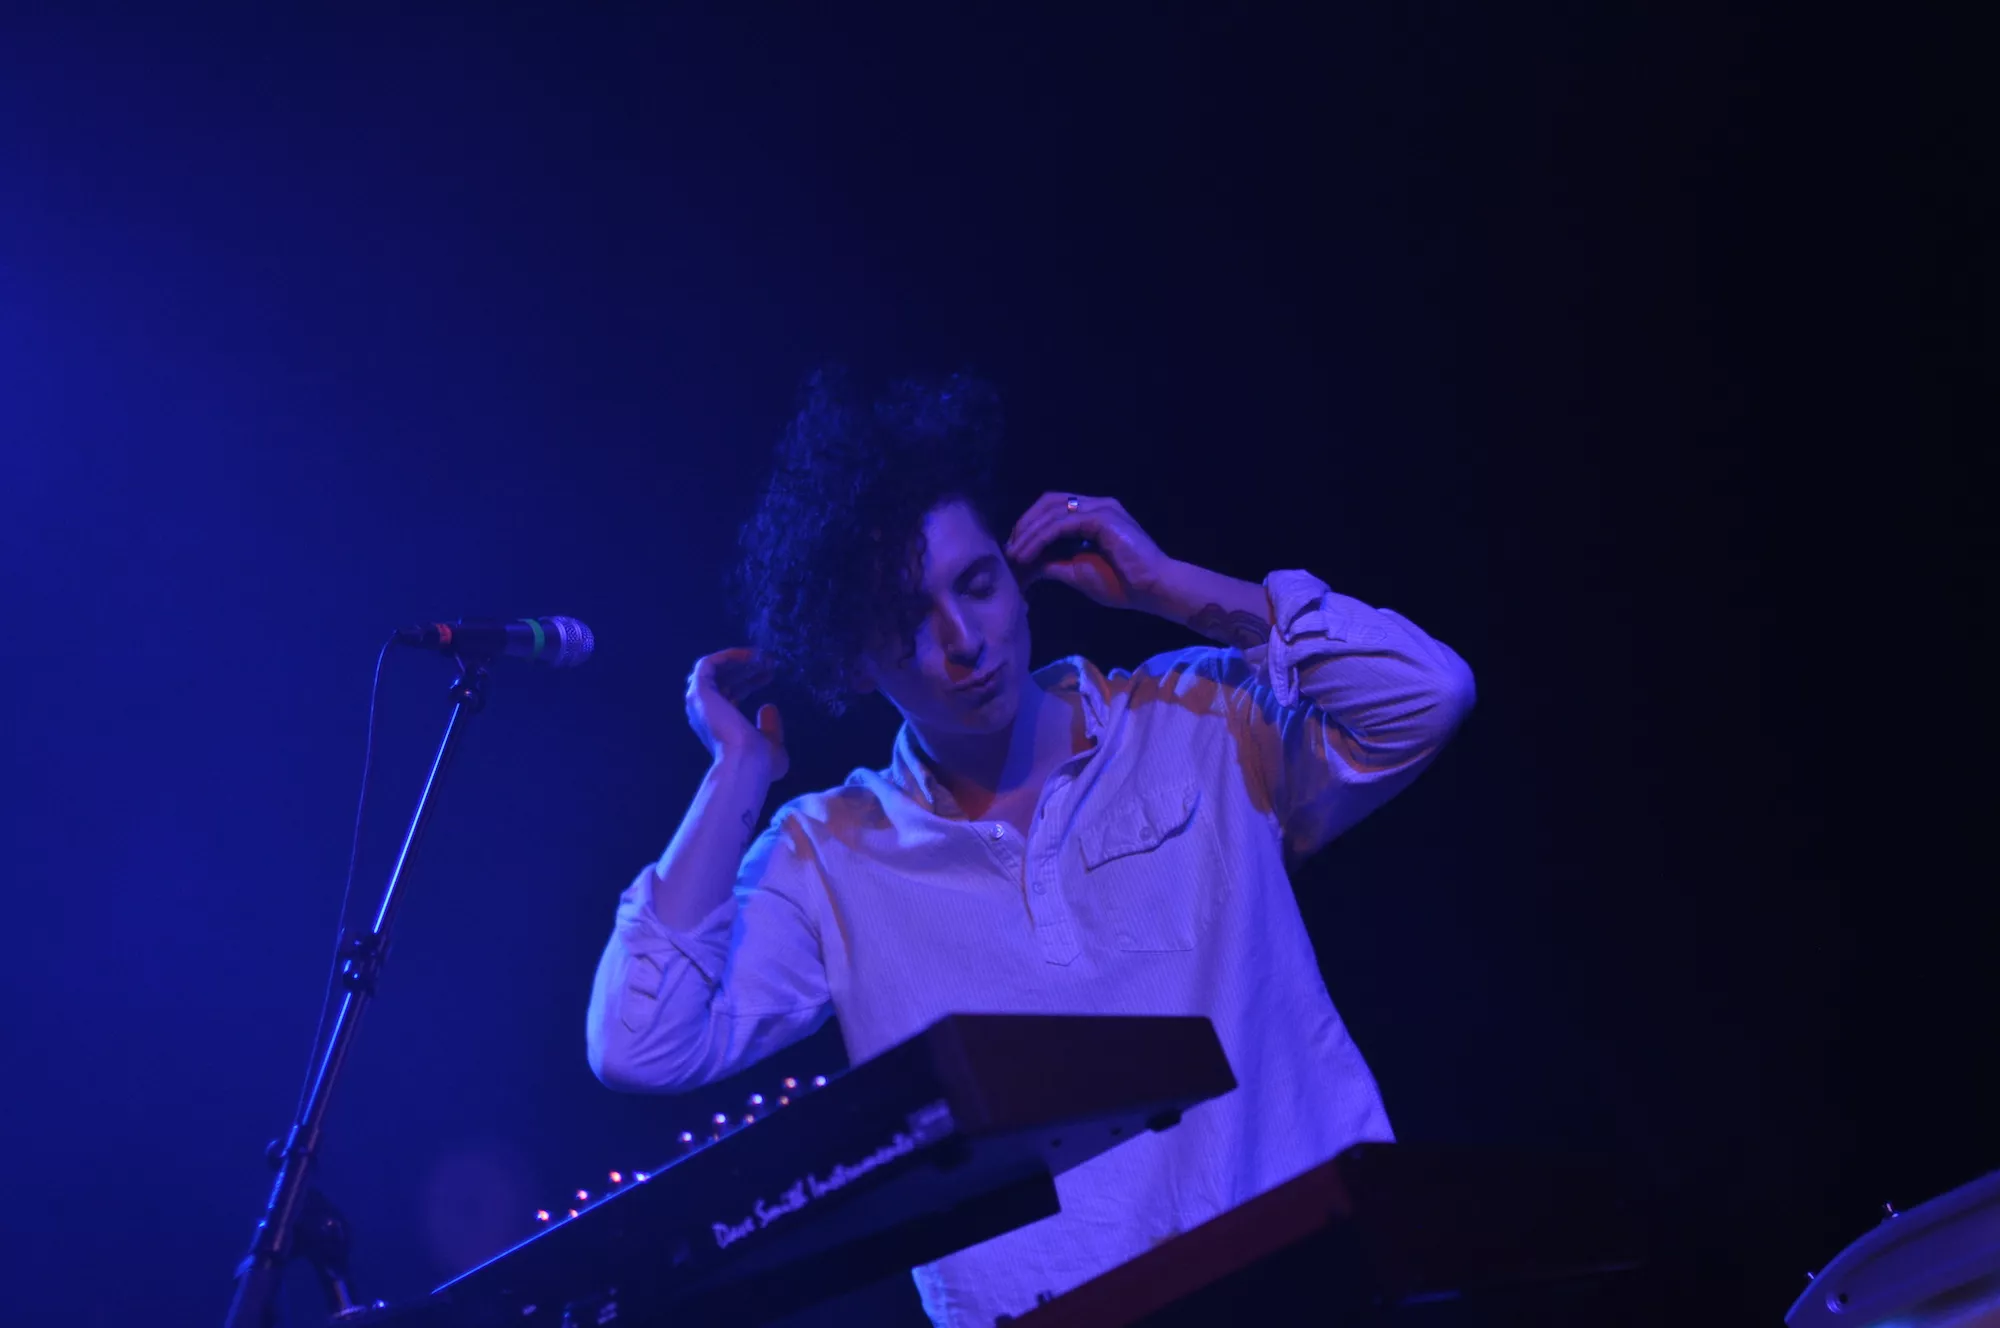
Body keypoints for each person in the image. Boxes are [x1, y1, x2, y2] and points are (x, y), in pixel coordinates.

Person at [586, 369, 1476, 1327]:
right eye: (907, 620)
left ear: (1018, 579)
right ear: (854, 660)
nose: (963, 639)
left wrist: (1173, 587)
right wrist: (737, 772)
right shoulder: (829, 852)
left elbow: (1426, 697)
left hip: (1325, 1279)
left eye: (977, 584)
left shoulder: (1196, 716)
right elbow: (642, 1044)